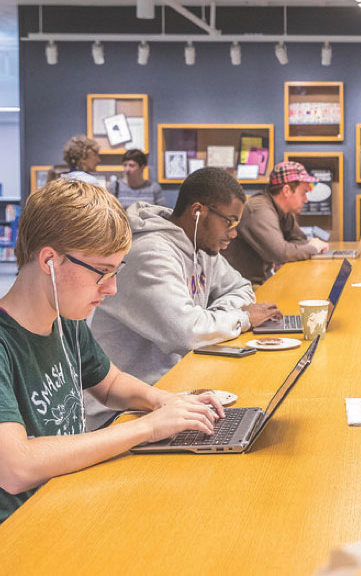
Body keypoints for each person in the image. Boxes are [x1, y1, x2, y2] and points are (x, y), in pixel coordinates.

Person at [0, 180, 224, 524]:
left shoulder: (65, 321)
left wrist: (165, 402)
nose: (113, 288)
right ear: (49, 261)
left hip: (65, 500)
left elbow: (109, 383)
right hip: (21, 530)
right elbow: (16, 467)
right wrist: (148, 427)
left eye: (116, 271)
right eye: (103, 272)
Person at [87, 167, 279, 428]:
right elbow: (187, 332)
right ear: (198, 211)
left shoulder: (200, 248)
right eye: (229, 221)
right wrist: (242, 318)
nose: (233, 233)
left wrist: (211, 319)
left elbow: (241, 288)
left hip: (171, 389)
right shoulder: (150, 253)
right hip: (121, 411)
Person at [223, 161, 329, 285]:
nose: (306, 200)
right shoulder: (259, 209)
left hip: (259, 281)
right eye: (303, 193)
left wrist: (289, 253)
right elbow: (281, 253)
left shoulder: (284, 210)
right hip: (241, 288)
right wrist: (313, 248)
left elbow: (299, 240)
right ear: (286, 190)